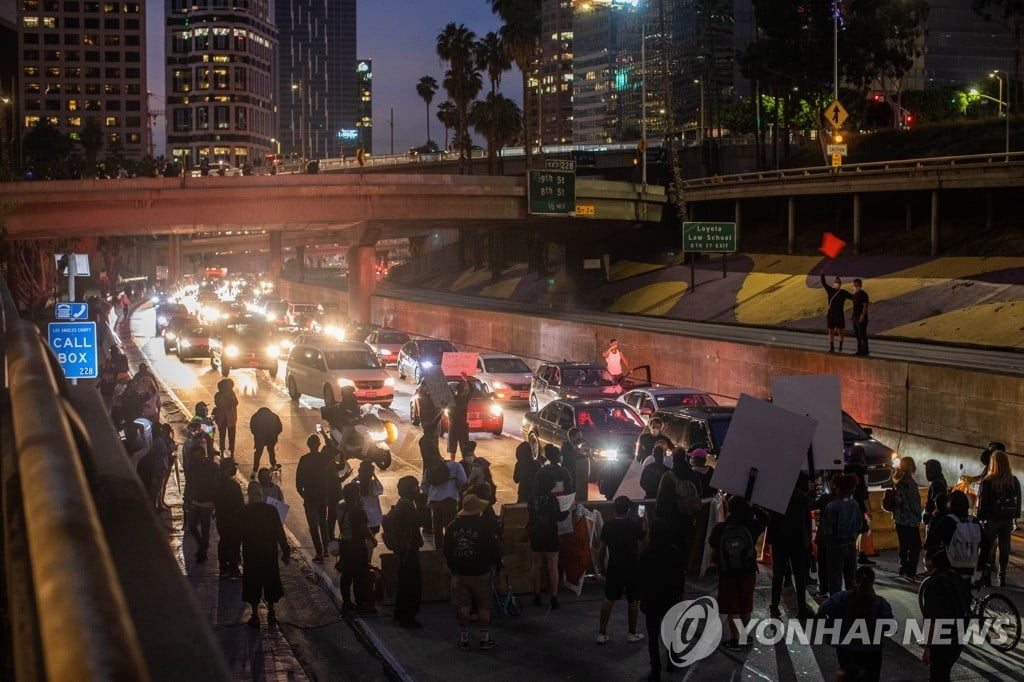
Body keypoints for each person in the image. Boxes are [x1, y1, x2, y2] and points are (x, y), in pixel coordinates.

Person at [707, 496, 768, 651]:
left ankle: (735, 640)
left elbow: (712, 542)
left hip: (727, 572)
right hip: (747, 571)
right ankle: (742, 636)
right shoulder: (752, 526)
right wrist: (753, 507)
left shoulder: (722, 528)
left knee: (732, 608)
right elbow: (766, 519)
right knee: (745, 605)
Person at [443, 493, 501, 650]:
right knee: (483, 606)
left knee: (463, 606)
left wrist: (453, 567)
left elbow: (446, 550)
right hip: (481, 573)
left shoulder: (452, 526)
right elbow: (493, 549)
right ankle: (484, 638)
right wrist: (497, 565)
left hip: (460, 573)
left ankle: (464, 639)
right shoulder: (484, 526)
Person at [818, 566, 893, 682]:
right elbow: (889, 627)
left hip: (845, 649)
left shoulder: (840, 597)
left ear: (854, 581)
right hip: (872, 651)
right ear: (873, 582)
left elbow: (822, 610)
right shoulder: (880, 603)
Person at [637, 519, 686, 681]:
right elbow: (680, 578)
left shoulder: (646, 555)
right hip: (671, 598)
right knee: (672, 630)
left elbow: (641, 580)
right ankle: (673, 660)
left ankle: (656, 669)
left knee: (653, 637)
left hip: (652, 599)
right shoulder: (676, 553)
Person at [238, 481, 290, 628]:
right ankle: (271, 612)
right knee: (270, 580)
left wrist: (235, 553)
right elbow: (279, 532)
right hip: (269, 551)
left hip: (251, 553)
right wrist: (285, 550)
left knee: (252, 583)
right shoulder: (271, 510)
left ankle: (255, 614)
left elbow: (238, 534)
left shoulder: (244, 511)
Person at [596, 497, 645, 644]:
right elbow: (644, 545)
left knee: (608, 598)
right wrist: (644, 523)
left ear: (614, 509)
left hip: (614, 565)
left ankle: (602, 633)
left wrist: (600, 566)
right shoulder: (634, 526)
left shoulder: (608, 526)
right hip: (632, 566)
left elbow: (601, 549)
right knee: (633, 599)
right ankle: (632, 632)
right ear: (629, 510)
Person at [768, 473, 815, 619]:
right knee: (800, 576)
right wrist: (808, 541)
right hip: (798, 540)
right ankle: (801, 608)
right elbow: (807, 520)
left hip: (780, 541)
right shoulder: (802, 496)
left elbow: (772, 520)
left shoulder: (776, 497)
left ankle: (774, 606)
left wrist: (771, 539)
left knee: (778, 575)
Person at [919, 547, 969, 681]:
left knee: (938, 675)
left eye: (925, 558)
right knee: (943, 674)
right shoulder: (954, 576)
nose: (923, 561)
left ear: (931, 562)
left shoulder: (933, 585)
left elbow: (932, 619)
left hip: (943, 640)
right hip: (958, 636)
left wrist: (928, 647)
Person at [654, 451, 703, 579]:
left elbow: (661, 499)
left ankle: (670, 571)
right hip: (687, 517)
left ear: (674, 460)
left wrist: (657, 517)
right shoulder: (693, 475)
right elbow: (699, 494)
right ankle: (682, 570)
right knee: (684, 544)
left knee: (669, 545)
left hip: (669, 518)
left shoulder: (668, 476)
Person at [976, 449, 1021, 587]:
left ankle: (987, 574)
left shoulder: (988, 481)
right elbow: (1018, 499)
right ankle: (1002, 575)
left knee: (988, 546)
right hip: (1007, 518)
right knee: (1004, 548)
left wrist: (980, 518)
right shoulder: (1013, 480)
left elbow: (983, 502)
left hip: (992, 519)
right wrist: (1015, 515)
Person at [924, 490, 980, 595]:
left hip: (952, 564)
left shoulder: (948, 521)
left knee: (949, 593)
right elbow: (985, 543)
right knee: (965, 593)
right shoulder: (974, 521)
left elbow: (931, 540)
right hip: (971, 564)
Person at [528, 476, 570, 609]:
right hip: (550, 534)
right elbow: (558, 516)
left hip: (536, 533)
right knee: (552, 567)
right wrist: (569, 509)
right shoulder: (552, 499)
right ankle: (553, 598)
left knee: (536, 566)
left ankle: (537, 596)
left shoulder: (531, 499)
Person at [390, 476, 425, 628]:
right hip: (408, 550)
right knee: (412, 585)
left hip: (404, 550)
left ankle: (400, 612)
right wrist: (421, 504)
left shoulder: (403, 503)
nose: (418, 489)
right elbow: (421, 521)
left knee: (405, 583)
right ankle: (407, 617)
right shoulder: (407, 505)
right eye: (416, 487)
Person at [336, 481, 376, 614]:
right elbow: (363, 528)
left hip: (345, 545)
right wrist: (373, 539)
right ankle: (360, 603)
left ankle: (346, 602)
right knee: (359, 576)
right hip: (357, 547)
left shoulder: (340, 508)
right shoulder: (358, 510)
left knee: (346, 576)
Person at [820, 473, 863, 595]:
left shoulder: (832, 506)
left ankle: (836, 608)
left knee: (835, 580)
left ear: (838, 488)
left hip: (835, 546)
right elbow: (859, 525)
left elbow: (828, 529)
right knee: (851, 579)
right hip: (851, 544)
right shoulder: (854, 504)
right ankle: (852, 606)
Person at [295, 434, 334, 563]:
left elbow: (298, 482)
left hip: (310, 497)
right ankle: (325, 549)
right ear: (318, 445)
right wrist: (324, 435)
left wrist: (304, 495)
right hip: (323, 496)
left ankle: (319, 552)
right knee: (323, 522)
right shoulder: (324, 458)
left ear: (308, 445)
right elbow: (332, 450)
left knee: (313, 526)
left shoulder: (304, 459)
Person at [421, 449, 467, 545]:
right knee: (450, 525)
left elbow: (424, 485)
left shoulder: (430, 468)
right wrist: (458, 491)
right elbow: (463, 481)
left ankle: (438, 547)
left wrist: (431, 493)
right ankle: (450, 546)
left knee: (437, 526)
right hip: (449, 498)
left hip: (434, 500)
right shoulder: (456, 466)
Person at [892, 456, 923, 581]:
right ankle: (910, 572)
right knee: (915, 546)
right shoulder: (909, 483)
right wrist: (918, 516)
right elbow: (914, 503)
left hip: (899, 519)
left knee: (904, 545)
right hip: (910, 520)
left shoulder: (898, 481)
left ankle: (903, 568)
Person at [188, 444, 220, 563]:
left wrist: (216, 503)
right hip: (195, 501)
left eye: (198, 456)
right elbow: (190, 484)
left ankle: (203, 551)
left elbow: (217, 485)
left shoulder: (212, 467)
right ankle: (203, 546)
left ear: (202, 454)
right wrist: (188, 499)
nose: (196, 459)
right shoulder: (192, 467)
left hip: (207, 503)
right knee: (192, 525)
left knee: (205, 529)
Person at [213, 458, 245, 578]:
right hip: (232, 519)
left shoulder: (217, 482)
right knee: (233, 543)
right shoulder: (232, 485)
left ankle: (224, 567)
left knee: (224, 541)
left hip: (222, 518)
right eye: (232, 467)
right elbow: (240, 504)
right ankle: (233, 567)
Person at [845, 445, 874, 566]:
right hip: (858, 504)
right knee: (863, 529)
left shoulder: (845, 469)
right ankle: (861, 555)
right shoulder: (862, 471)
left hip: (847, 503)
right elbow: (864, 492)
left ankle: (849, 554)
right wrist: (869, 509)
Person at [820, 269, 851, 353]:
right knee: (831, 331)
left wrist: (863, 301)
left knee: (840, 331)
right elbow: (824, 283)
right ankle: (832, 347)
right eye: (835, 281)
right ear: (833, 283)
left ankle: (840, 347)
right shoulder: (830, 290)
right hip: (831, 314)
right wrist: (822, 274)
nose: (836, 282)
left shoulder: (843, 292)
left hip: (839, 314)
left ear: (840, 284)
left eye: (838, 281)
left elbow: (853, 297)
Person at [446, 373, 475, 458]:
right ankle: (465, 463)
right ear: (463, 391)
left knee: (452, 448)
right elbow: (472, 390)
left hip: (453, 426)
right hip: (462, 426)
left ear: (455, 391)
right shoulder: (464, 400)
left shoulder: (451, 400)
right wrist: (466, 379)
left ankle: (453, 464)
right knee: (464, 447)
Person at [250, 406, 283, 474]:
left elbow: (252, 427)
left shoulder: (255, 416)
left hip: (260, 438)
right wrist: (275, 434)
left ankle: (254, 470)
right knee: (271, 451)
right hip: (271, 437)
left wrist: (257, 434)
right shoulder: (274, 416)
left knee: (258, 453)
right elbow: (280, 428)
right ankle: (273, 465)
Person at [357, 459, 385, 534]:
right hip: (374, 519)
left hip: (361, 520)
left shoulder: (355, 483)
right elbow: (380, 490)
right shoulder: (374, 484)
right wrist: (374, 475)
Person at [213, 378, 239, 454]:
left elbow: (236, 403)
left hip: (230, 418)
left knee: (231, 436)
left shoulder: (231, 393)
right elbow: (219, 404)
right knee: (222, 436)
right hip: (223, 418)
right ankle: (222, 450)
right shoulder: (219, 395)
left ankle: (231, 451)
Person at [922, 459, 949, 527]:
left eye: (928, 470)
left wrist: (928, 515)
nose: (926, 473)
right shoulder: (940, 480)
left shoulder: (936, 484)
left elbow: (935, 504)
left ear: (933, 471)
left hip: (934, 521)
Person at [851, 278, 870, 356]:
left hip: (861, 317)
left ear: (861, 285)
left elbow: (865, 306)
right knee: (857, 335)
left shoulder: (863, 294)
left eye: (857, 285)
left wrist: (862, 315)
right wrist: (852, 316)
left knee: (862, 335)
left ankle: (865, 351)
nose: (855, 286)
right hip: (855, 317)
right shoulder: (855, 294)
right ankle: (859, 351)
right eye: (854, 285)